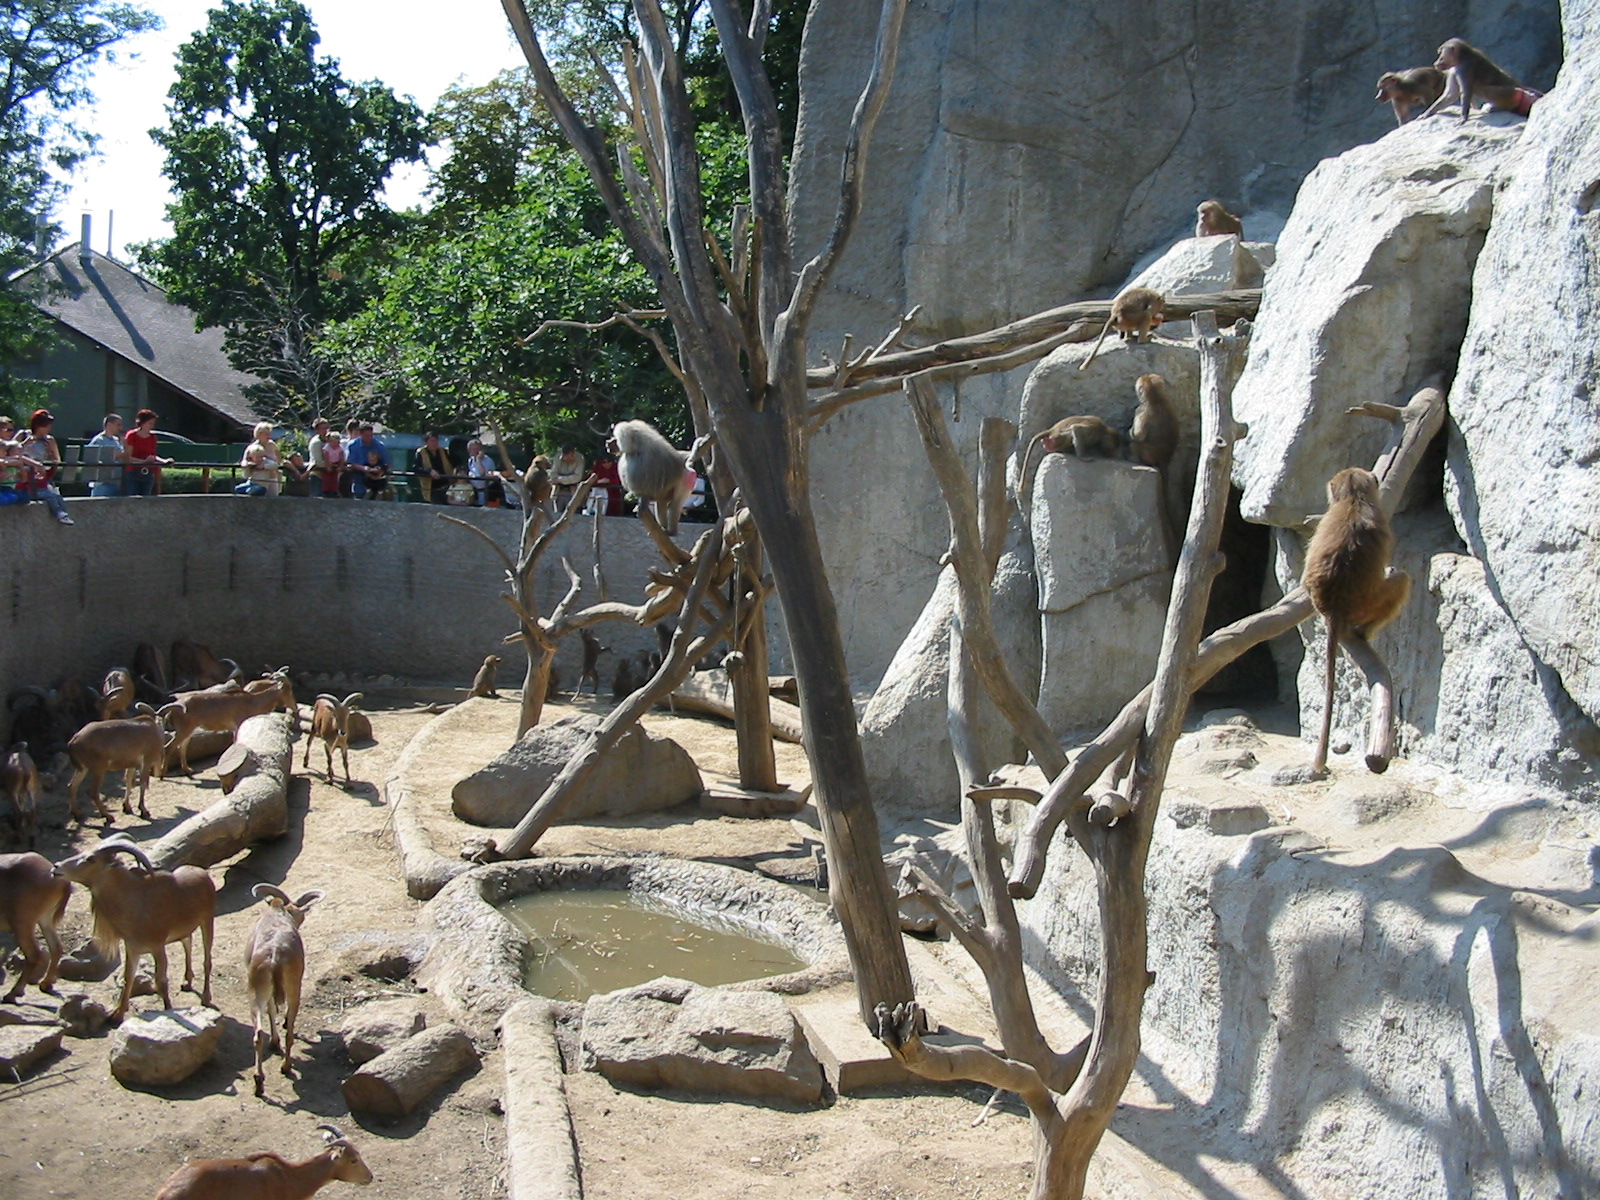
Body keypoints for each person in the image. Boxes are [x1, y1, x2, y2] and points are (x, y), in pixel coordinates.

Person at [16, 409, 73, 524]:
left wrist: (50, 455)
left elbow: (57, 460)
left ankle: (63, 515)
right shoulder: (23, 435)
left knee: (56, 496)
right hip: (23, 475)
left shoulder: (49, 440)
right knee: (49, 495)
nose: (48, 428)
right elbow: (11, 451)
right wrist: (25, 443)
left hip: (40, 476)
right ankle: (60, 514)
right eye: (45, 425)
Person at [121, 409, 171, 496]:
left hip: (148, 472)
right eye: (150, 423)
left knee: (146, 497)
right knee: (133, 497)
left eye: (153, 424)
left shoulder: (152, 437)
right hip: (133, 471)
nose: (152, 426)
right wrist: (143, 461)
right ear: (142, 423)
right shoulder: (131, 435)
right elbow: (127, 457)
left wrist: (164, 461)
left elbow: (153, 455)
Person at [82, 413, 125, 498]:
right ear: (109, 425)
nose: (120, 428)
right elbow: (92, 458)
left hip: (115, 481)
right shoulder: (99, 440)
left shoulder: (116, 440)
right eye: (118, 425)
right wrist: (120, 454)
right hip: (102, 483)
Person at [236, 422, 284, 496]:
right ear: (259, 434)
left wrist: (268, 466)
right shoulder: (252, 448)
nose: (269, 436)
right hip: (257, 478)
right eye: (266, 434)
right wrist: (250, 465)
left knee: (273, 499)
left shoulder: (272, 445)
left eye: (269, 434)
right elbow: (244, 461)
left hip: (272, 477)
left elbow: (278, 459)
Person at [347, 423, 387, 498]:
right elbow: (351, 463)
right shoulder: (353, 445)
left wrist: (379, 472)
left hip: (377, 478)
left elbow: (387, 463)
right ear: (360, 434)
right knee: (359, 496)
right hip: (359, 477)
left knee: (377, 495)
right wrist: (364, 468)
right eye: (366, 436)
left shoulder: (380, 446)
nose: (369, 438)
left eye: (371, 435)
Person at [414, 431, 454, 504]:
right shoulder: (421, 452)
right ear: (426, 442)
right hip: (431, 487)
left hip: (446, 485)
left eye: (436, 440)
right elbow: (416, 468)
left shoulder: (444, 451)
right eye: (432, 441)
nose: (435, 443)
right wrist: (429, 471)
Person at [465, 439, 503, 507]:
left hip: (488, 490)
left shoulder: (488, 460)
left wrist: (478, 460)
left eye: (477, 449)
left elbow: (483, 473)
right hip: (476, 490)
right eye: (473, 449)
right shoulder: (470, 460)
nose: (475, 451)